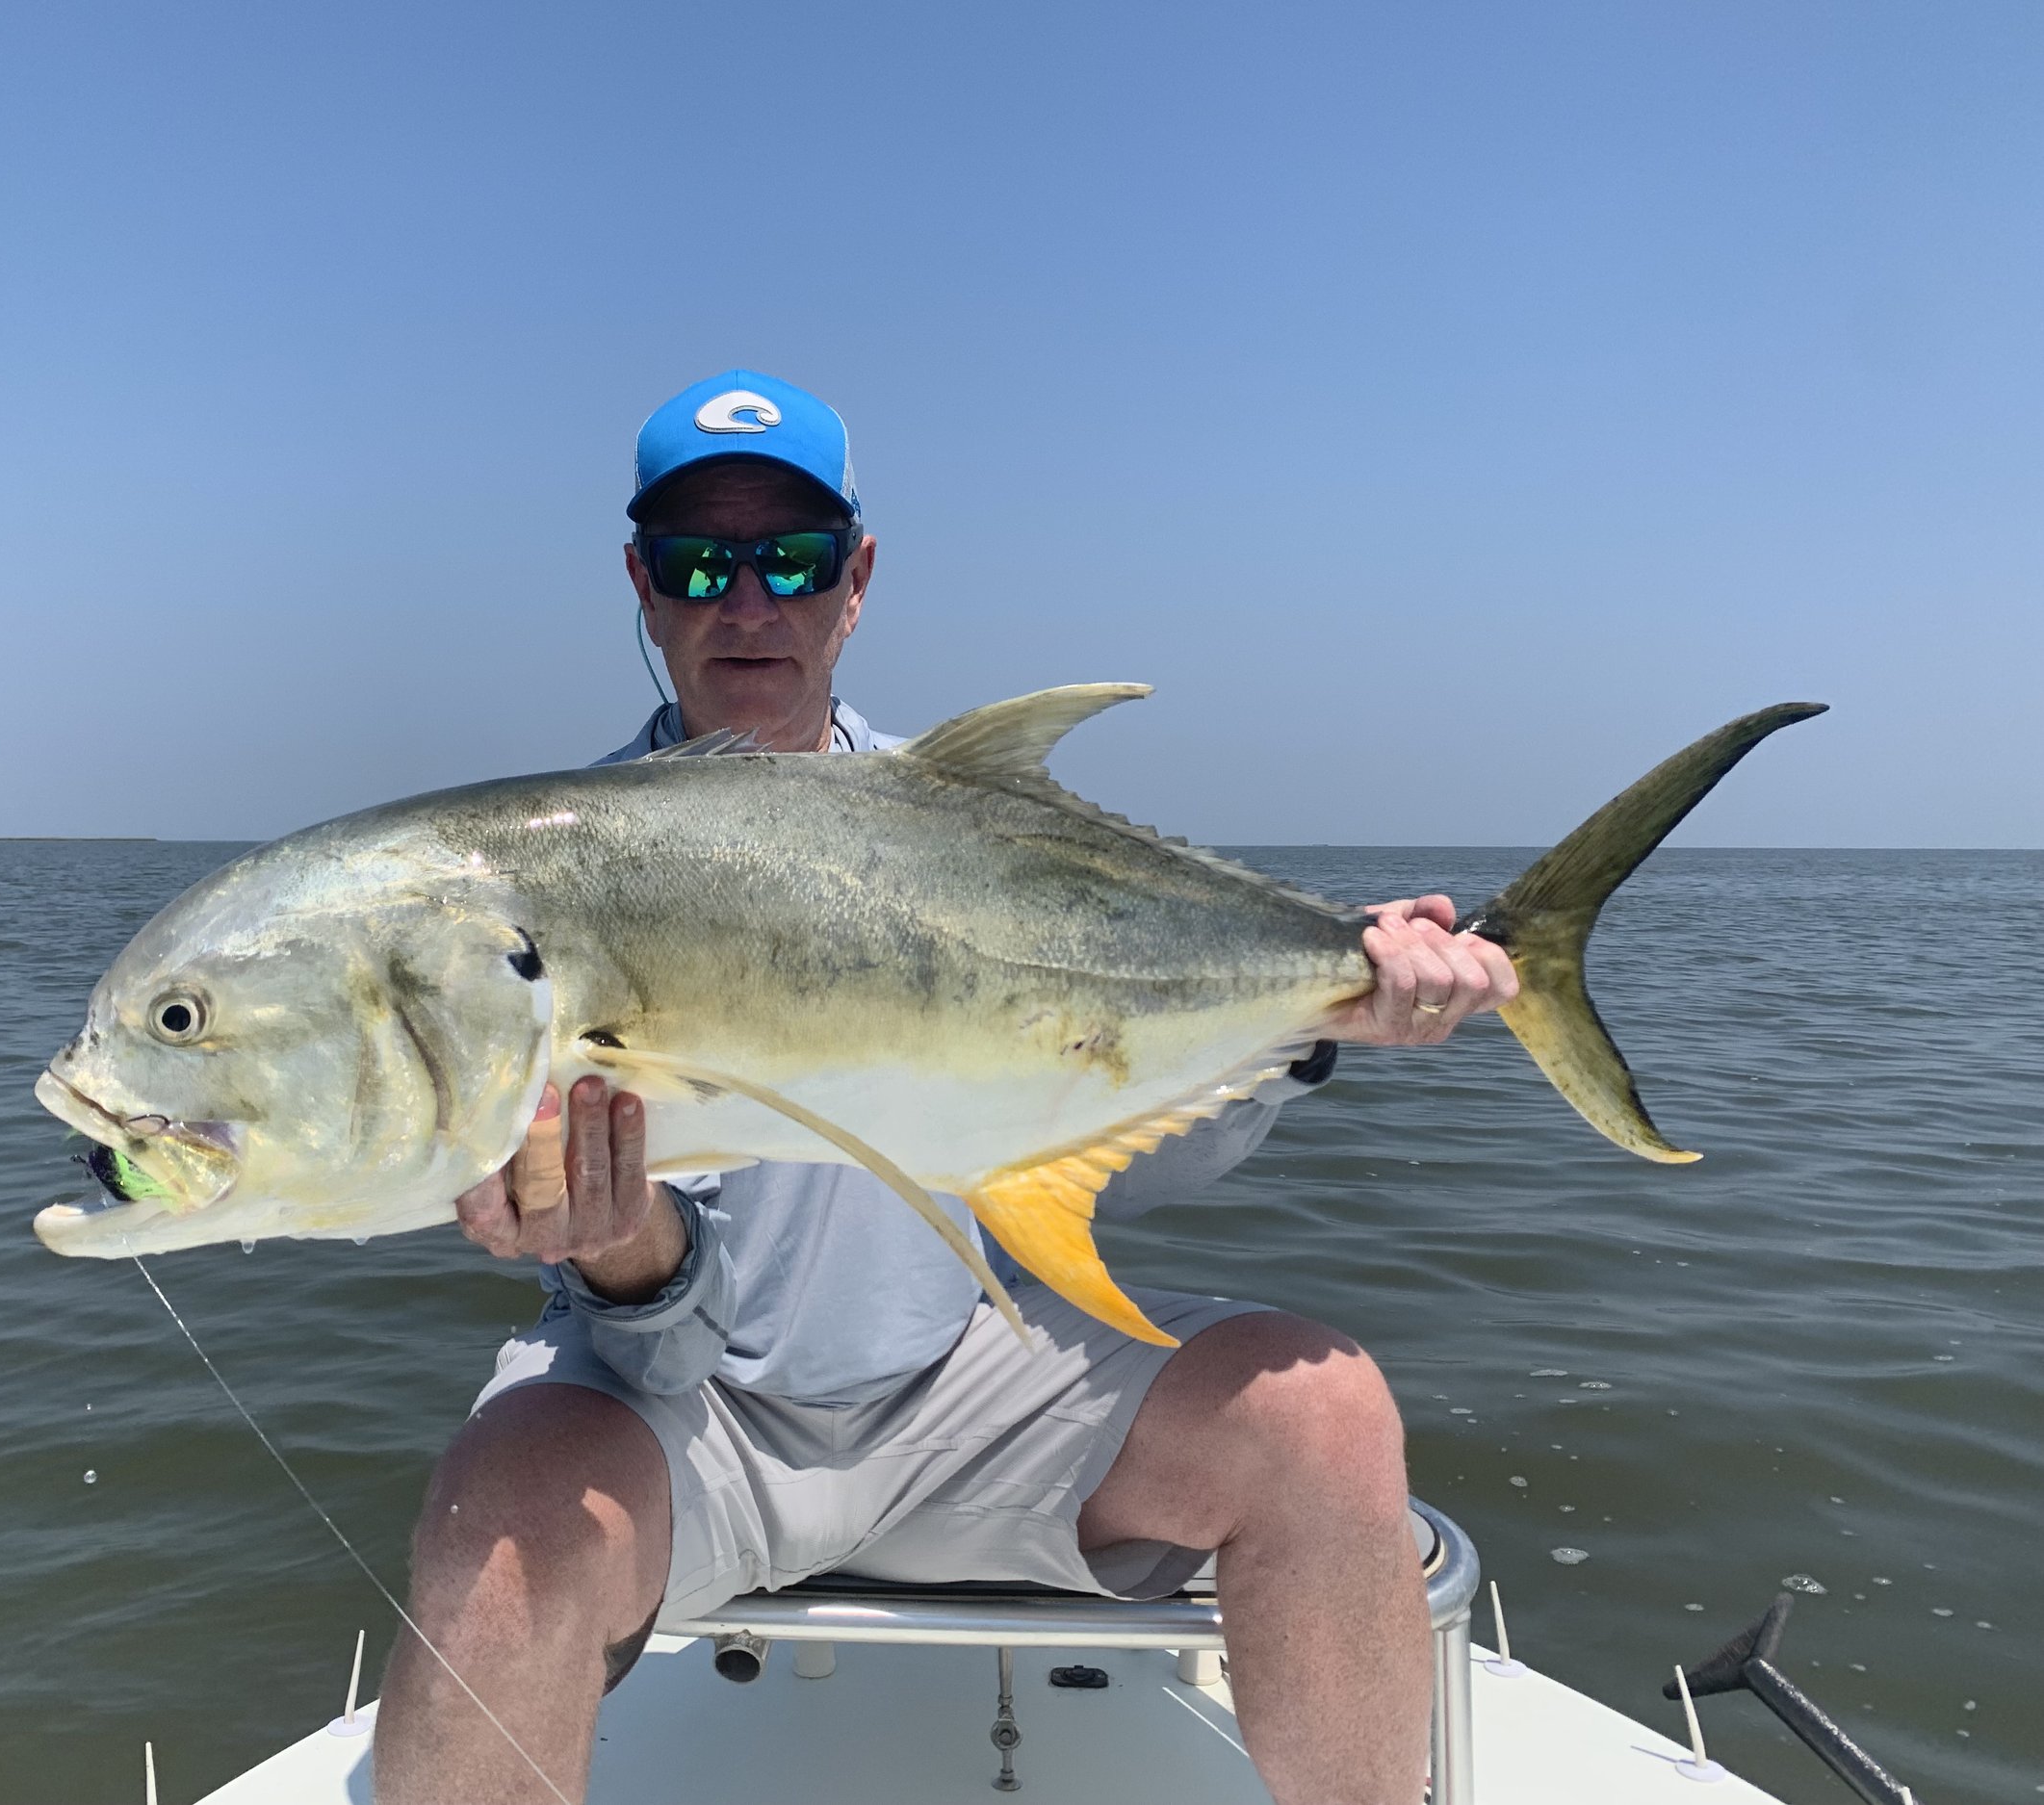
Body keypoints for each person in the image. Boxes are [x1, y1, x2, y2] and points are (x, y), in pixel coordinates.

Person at [372, 371, 1516, 1805]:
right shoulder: (550, 879)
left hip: (970, 1384)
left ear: (856, 581)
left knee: (1326, 1417)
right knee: (500, 1509)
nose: (749, 602)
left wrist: (1321, 1017)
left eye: (790, 558)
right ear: (643, 589)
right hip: (689, 1429)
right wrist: (617, 1253)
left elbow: (1153, 1163)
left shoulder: (977, 828)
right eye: (698, 562)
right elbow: (662, 1346)